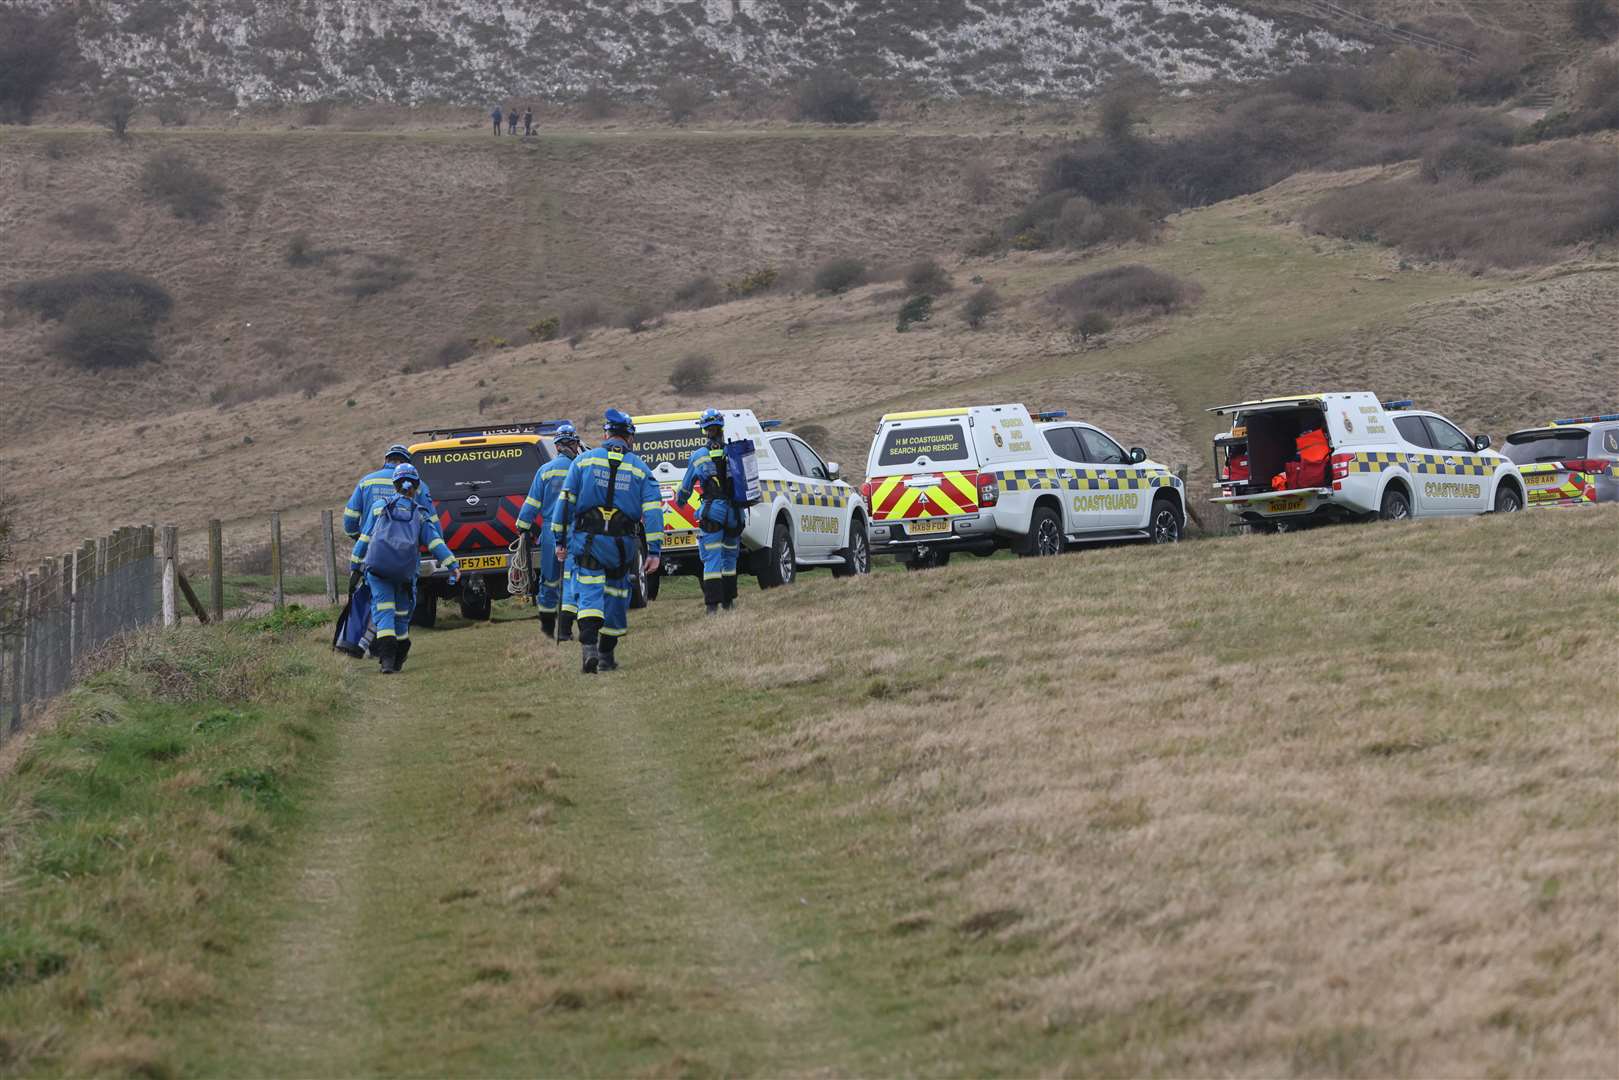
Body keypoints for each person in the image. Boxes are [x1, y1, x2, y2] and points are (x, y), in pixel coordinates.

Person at [550, 409, 663, 674]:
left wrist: (559, 540)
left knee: (588, 594)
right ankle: (606, 656)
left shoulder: (584, 462)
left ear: (606, 434)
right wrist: (655, 551)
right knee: (615, 597)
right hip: (622, 546)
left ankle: (588, 649)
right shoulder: (639, 468)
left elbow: (564, 503)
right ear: (629, 438)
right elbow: (654, 512)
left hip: (587, 542)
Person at [350, 464, 459, 674]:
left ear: (395, 485)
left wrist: (355, 565)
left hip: (378, 570)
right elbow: (435, 542)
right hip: (405, 574)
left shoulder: (380, 507)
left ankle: (387, 661)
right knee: (401, 615)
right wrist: (452, 565)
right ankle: (398, 657)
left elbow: (364, 538)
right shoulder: (420, 514)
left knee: (383, 613)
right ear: (416, 487)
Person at [514, 421, 584, 639]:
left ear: (556, 446)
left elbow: (532, 503)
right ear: (574, 444)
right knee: (574, 579)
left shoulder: (545, 471)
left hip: (549, 534)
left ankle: (547, 628)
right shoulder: (581, 469)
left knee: (549, 580)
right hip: (576, 531)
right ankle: (567, 629)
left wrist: (522, 526)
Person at [675, 408, 746, 614]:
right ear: (722, 428)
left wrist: (680, 501)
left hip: (712, 511)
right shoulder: (735, 452)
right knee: (730, 558)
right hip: (734, 513)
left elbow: (685, 489)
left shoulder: (698, 457)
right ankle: (729, 603)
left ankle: (712, 607)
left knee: (712, 558)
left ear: (704, 430)